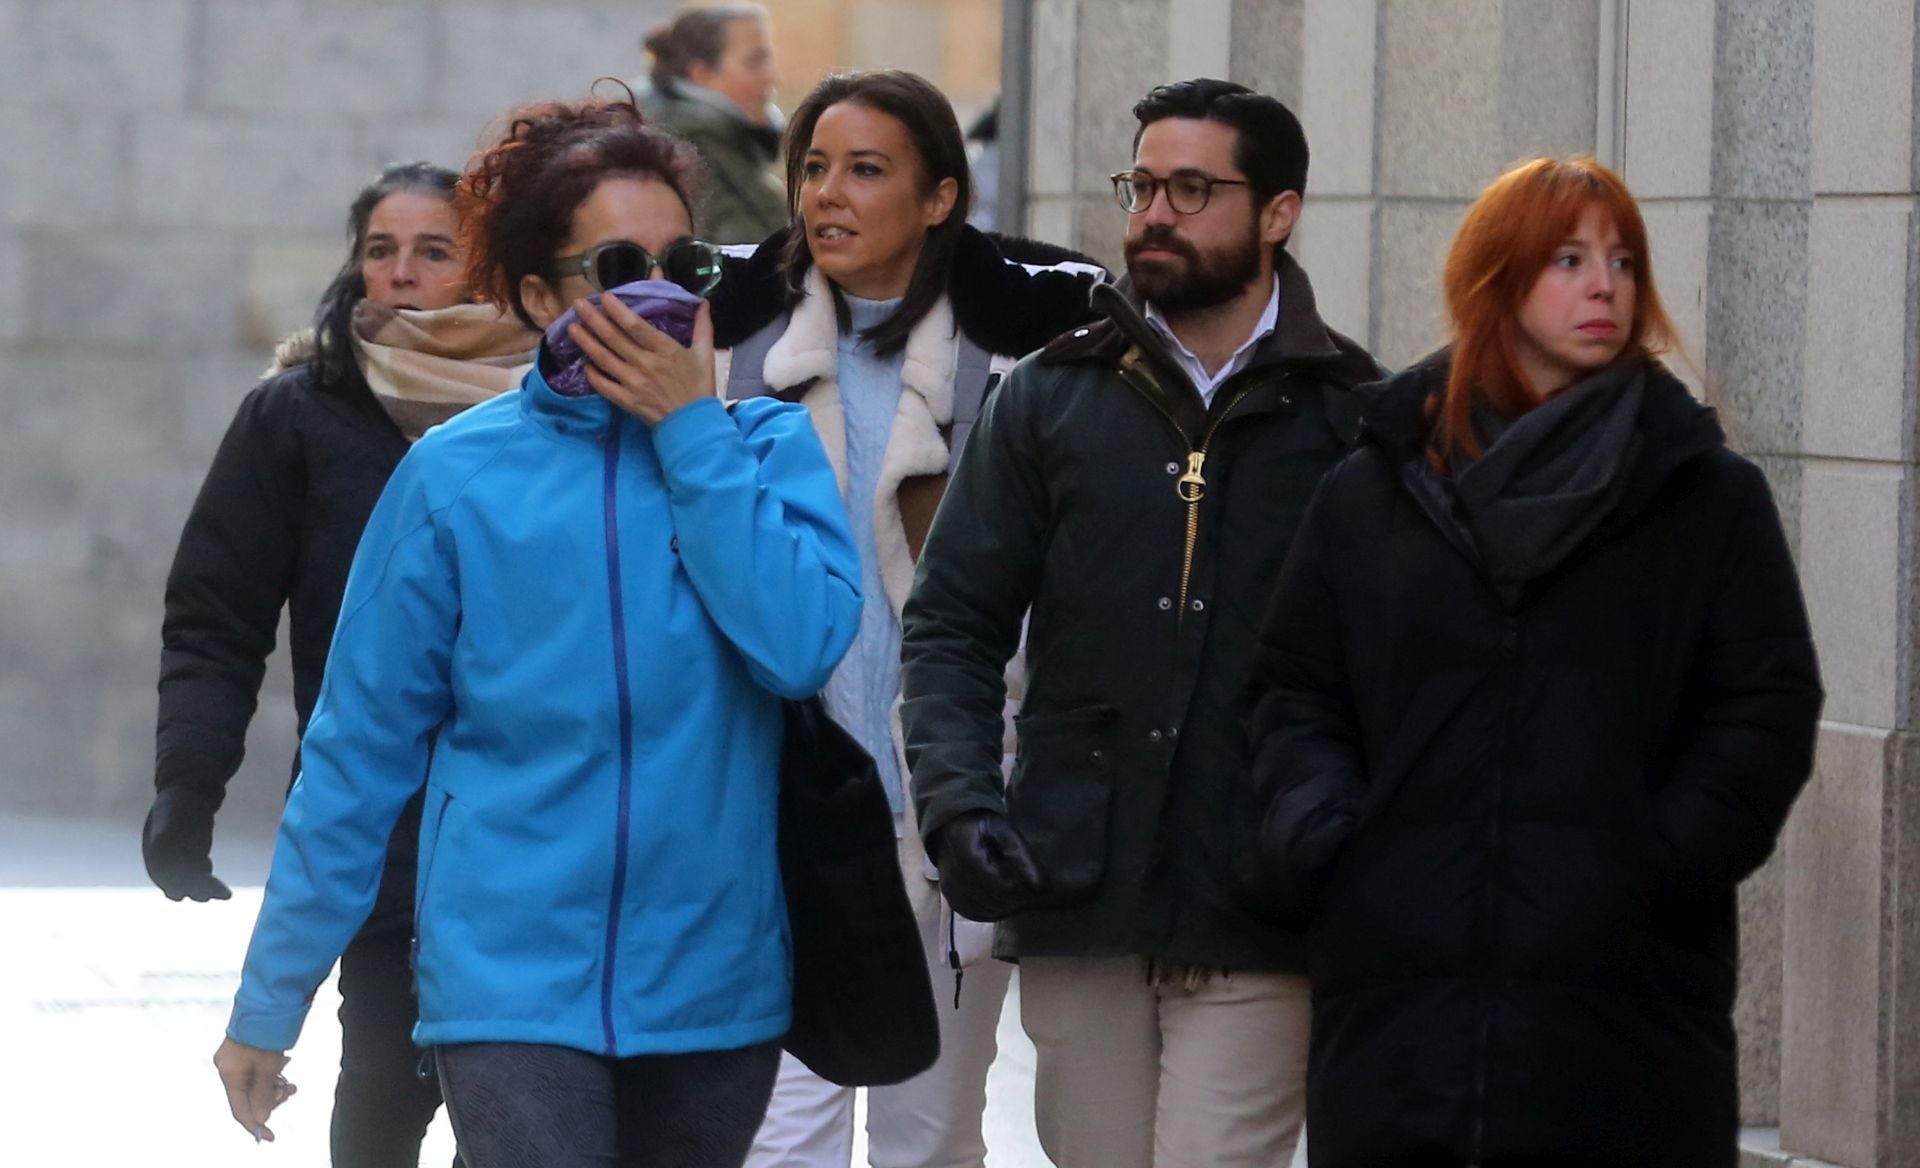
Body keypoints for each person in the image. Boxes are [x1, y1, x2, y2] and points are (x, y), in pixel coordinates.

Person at [209, 95, 863, 1168]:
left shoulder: (765, 447)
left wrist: (692, 432)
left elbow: (797, 646)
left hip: (717, 984)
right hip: (505, 982)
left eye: (682, 262)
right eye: (615, 265)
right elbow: (356, 756)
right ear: (528, 293)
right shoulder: (456, 475)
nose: (656, 292)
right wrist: (268, 1002)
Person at [1244, 157, 1823, 1168]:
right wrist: (1339, 842)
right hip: (1401, 1000)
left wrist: (1659, 858)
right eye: (1566, 258)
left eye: (1621, 261)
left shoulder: (1704, 495)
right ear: (1495, 280)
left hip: (1622, 1002)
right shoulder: (1370, 490)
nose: (1604, 286)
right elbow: (1297, 690)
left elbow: (1765, 704)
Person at [900, 78, 1383, 1168]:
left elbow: (1396, 665)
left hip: (1263, 892)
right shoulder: (1049, 396)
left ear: (1278, 213)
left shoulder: (1354, 413)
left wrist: (1346, 836)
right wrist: (960, 803)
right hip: (1078, 879)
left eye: (1192, 189)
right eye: (1143, 184)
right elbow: (954, 625)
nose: (1153, 212)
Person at [708, 68, 1105, 1168]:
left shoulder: (1025, 355)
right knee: (781, 1142)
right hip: (781, 809)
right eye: (815, 169)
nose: (827, 195)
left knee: (931, 1141)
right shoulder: (734, 345)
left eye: (866, 171)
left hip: (950, 801)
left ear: (939, 198)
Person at [147, 160, 537, 1167]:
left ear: (491, 266)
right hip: (381, 808)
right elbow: (216, 612)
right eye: (380, 250)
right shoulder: (300, 411)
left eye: (434, 250)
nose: (402, 273)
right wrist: (189, 784)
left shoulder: (564, 401)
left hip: (544, 811)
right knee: (384, 1073)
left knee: (525, 1093)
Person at [636, 2, 786, 244]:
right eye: (755, 62)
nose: (773, 77)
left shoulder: (725, 142)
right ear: (701, 74)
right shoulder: (682, 153)